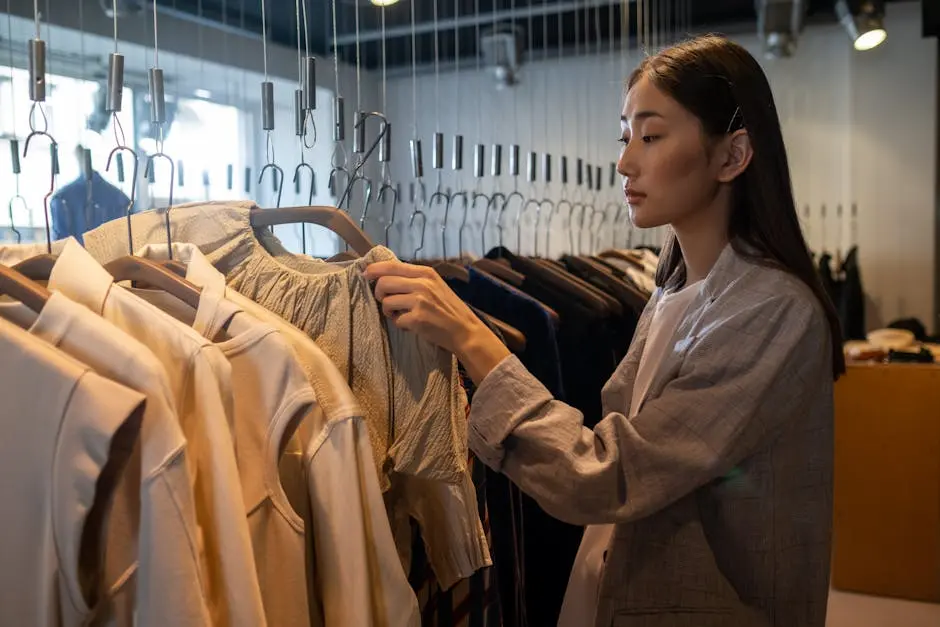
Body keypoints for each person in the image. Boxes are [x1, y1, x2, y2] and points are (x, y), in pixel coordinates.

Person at [364, 34, 844, 627]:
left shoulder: (772, 310)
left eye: (651, 136)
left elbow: (608, 475)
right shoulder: (671, 292)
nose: (624, 162)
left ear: (732, 154)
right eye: (625, 138)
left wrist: (472, 338)